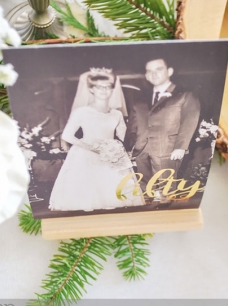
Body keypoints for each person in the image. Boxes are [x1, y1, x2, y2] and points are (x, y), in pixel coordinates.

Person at [49, 68, 144, 211]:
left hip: (111, 155)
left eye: (108, 87)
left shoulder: (116, 114)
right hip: (86, 155)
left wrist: (125, 147)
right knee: (90, 193)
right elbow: (67, 135)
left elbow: (124, 134)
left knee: (116, 194)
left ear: (112, 89)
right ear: (92, 89)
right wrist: (92, 148)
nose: (104, 90)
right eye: (100, 87)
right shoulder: (81, 112)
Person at [128, 58, 201, 197]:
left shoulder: (184, 95)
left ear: (169, 71)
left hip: (167, 149)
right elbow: (133, 125)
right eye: (149, 71)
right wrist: (130, 146)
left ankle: (166, 211)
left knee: (166, 188)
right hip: (141, 150)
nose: (153, 74)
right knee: (145, 187)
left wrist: (181, 146)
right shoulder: (140, 99)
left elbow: (189, 121)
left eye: (158, 69)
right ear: (146, 76)